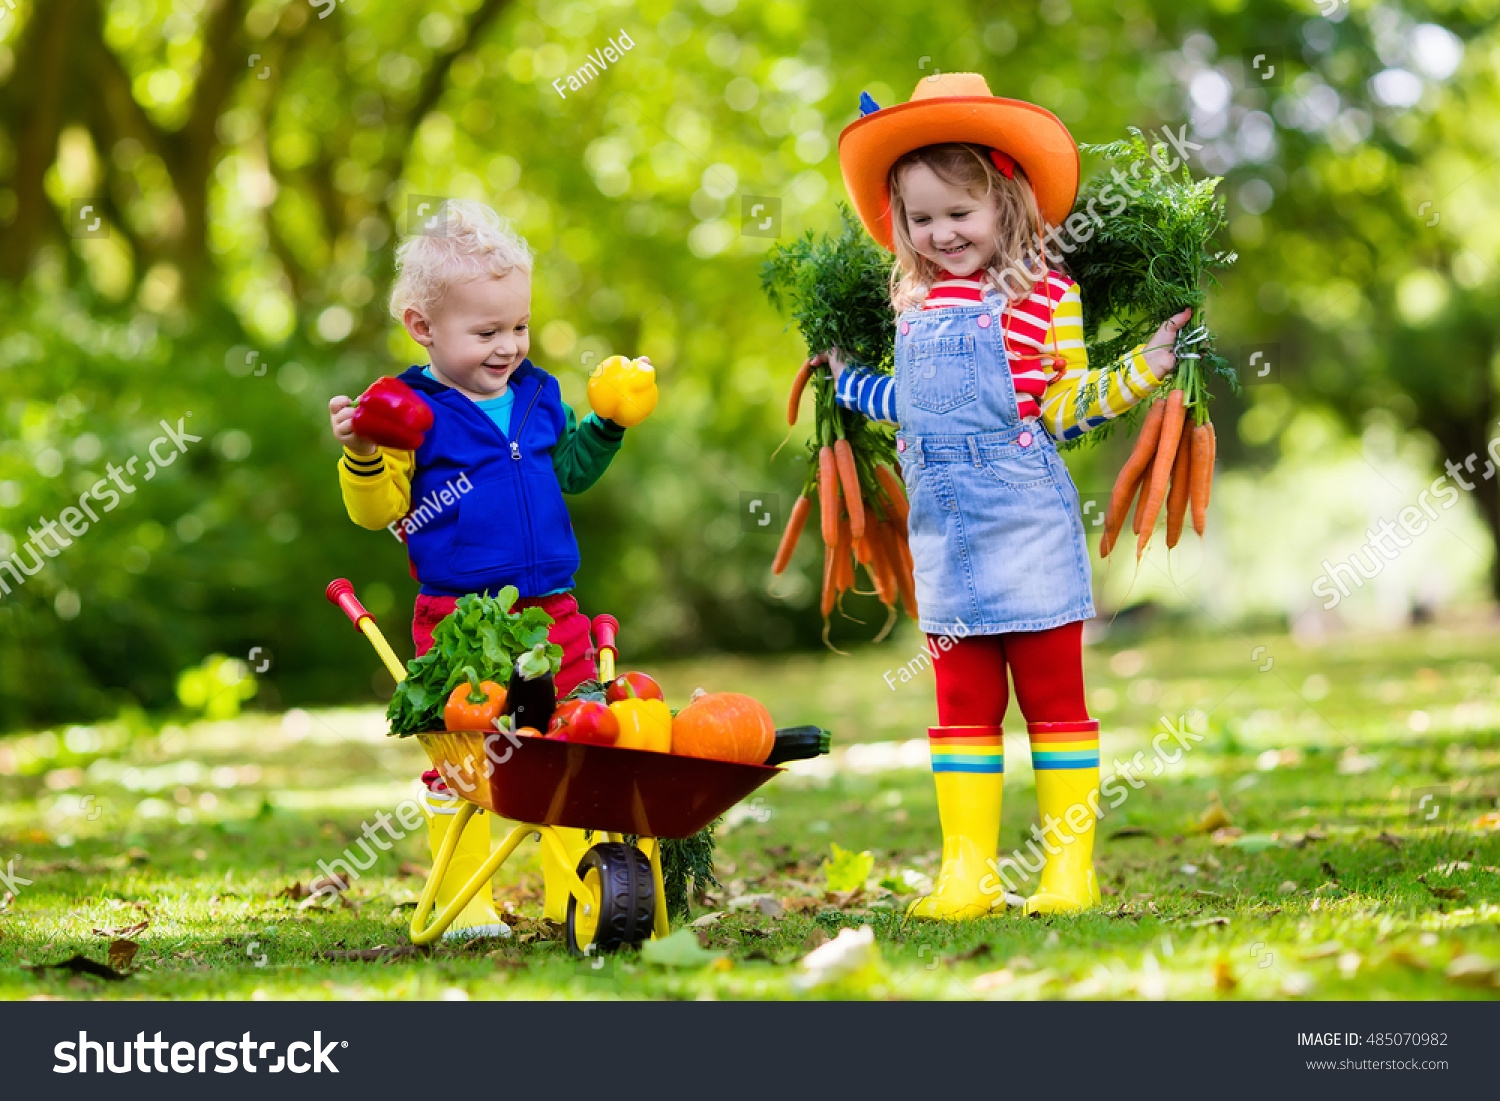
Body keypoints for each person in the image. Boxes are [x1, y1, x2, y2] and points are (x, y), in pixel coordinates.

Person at [827, 74, 1192, 919]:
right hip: (945, 532)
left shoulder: (1044, 300)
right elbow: (909, 408)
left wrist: (1142, 369)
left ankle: (1068, 871)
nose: (941, 232)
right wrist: (848, 380)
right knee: (962, 704)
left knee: (1053, 697)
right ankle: (970, 872)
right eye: (921, 218)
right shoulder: (908, 304)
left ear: (1006, 203)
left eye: (961, 212)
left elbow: (1062, 407)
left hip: (1024, 520)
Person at [328, 199, 656, 938]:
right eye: (486, 332)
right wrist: (362, 451)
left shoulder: (539, 394)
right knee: (465, 754)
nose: (508, 346)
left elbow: (569, 471)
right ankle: (463, 897)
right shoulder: (408, 407)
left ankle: (573, 891)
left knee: (575, 743)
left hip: (555, 610)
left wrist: (607, 424)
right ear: (423, 328)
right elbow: (378, 509)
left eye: (519, 326)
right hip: (460, 617)